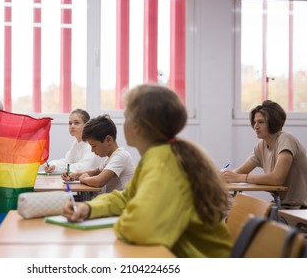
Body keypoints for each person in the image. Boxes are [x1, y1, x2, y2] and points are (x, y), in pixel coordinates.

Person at [62, 83, 232, 258]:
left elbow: (141, 228)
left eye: (126, 116)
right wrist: (88, 208)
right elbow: (126, 197)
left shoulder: (163, 161)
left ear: (136, 126)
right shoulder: (157, 156)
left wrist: (123, 219)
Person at [222, 100, 307, 208]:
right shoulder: (261, 146)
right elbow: (238, 172)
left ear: (273, 123)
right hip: (280, 205)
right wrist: (221, 177)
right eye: (255, 122)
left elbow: (277, 178)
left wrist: (239, 177)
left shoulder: (286, 139)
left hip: (300, 208)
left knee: (245, 215)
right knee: (239, 210)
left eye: (261, 122)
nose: (255, 126)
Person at [62, 114, 135, 193]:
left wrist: (84, 179)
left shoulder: (120, 156)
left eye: (94, 146)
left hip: (122, 204)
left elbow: (99, 181)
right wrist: (74, 175)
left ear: (108, 140)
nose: (92, 151)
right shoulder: (110, 157)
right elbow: (94, 172)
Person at [44, 109, 104, 173]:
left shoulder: (92, 143)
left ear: (86, 125)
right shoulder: (76, 143)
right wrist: (53, 165)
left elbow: (85, 167)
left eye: (76, 123)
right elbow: (68, 161)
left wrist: (66, 168)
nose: (72, 126)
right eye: (70, 123)